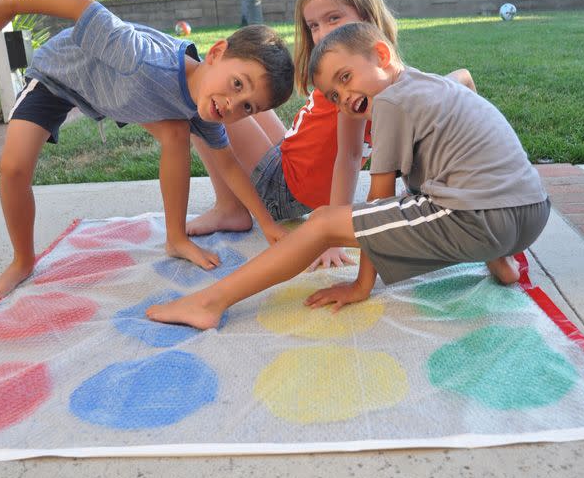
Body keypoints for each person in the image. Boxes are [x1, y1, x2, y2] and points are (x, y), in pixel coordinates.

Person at [146, 21, 550, 329]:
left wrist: (361, 286)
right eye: (335, 97)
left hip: (482, 219)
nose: (345, 99)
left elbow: (376, 205)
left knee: (322, 222)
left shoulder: (391, 103)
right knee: (439, 191)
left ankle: (210, 302)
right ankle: (500, 263)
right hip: (532, 211)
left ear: (382, 55)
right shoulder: (431, 86)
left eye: (346, 78)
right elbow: (464, 77)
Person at [0, 0, 294, 299]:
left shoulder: (205, 109)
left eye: (248, 107)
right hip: (57, 78)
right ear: (217, 53)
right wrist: (8, 6)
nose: (233, 104)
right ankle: (23, 261)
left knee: (177, 130)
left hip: (114, 93)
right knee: (13, 168)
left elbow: (229, 165)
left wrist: (268, 225)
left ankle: (175, 238)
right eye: (237, 84)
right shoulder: (140, 58)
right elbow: (81, 5)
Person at [186, 0, 476, 270]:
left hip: (280, 190)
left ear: (366, 14)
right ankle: (229, 203)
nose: (323, 34)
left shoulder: (349, 88)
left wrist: (333, 235)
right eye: (314, 26)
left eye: (333, 18)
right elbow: (463, 77)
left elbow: (348, 158)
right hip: (286, 160)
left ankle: (231, 208)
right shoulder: (378, 75)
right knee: (229, 91)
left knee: (197, 96)